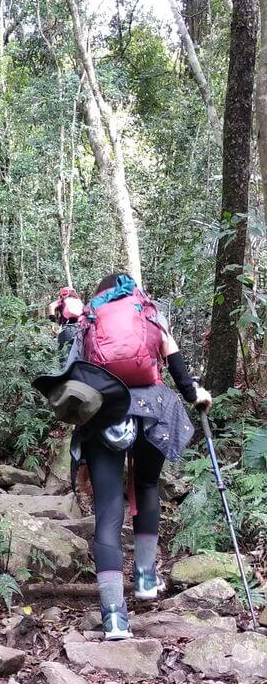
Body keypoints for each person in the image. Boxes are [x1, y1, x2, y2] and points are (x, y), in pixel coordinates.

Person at [37, 272, 212, 642]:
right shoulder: (147, 311)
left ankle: (115, 616)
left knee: (108, 508)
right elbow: (174, 361)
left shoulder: (89, 317)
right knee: (147, 485)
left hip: (105, 412)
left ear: (99, 294)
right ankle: (147, 578)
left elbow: (74, 374)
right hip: (154, 406)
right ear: (132, 291)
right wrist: (195, 392)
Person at [48, 285, 84, 355]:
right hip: (80, 330)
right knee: (77, 354)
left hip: (67, 329)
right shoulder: (79, 302)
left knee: (62, 354)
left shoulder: (63, 300)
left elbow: (51, 306)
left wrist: (52, 322)